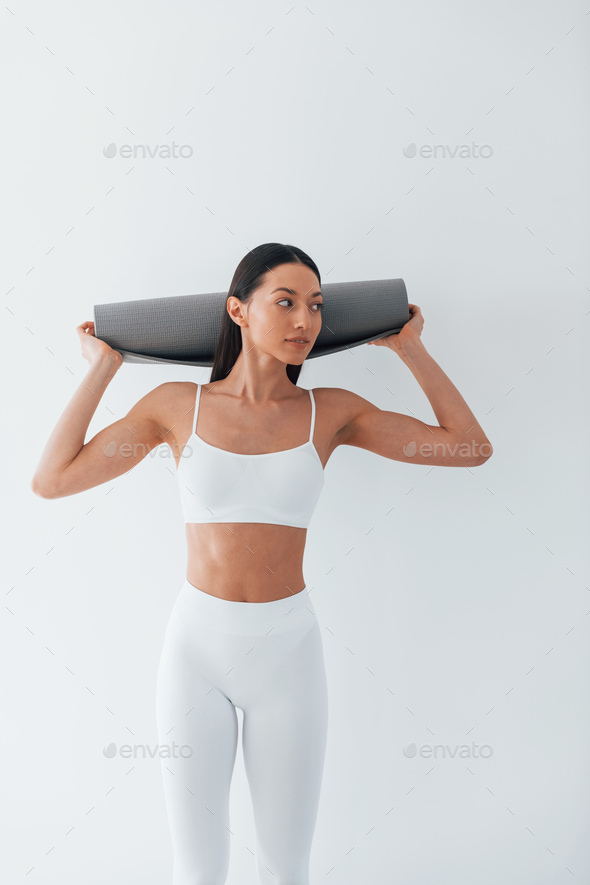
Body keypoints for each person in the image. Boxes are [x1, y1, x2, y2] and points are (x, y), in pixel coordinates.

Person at [31, 242, 493, 884]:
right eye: (285, 302)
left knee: (285, 868)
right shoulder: (175, 406)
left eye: (316, 306)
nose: (305, 320)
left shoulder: (329, 412)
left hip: (288, 653)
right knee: (197, 868)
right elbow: (53, 480)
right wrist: (102, 368)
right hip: (196, 650)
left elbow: (468, 448)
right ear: (237, 312)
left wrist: (409, 347)